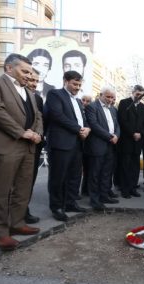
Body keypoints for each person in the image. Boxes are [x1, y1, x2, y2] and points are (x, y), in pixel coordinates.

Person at [0, 53, 43, 250]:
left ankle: (17, 224)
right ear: (9, 68)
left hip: (28, 147)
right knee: (1, 190)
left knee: (23, 188)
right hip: (8, 145)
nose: (28, 75)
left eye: (30, 72)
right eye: (24, 71)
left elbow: (38, 115)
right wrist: (22, 133)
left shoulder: (29, 92)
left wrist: (38, 134)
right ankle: (0, 232)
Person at [44, 71, 90, 222]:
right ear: (65, 81)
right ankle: (56, 207)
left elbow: (83, 119)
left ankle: (70, 203)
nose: (77, 87)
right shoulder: (55, 94)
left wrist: (87, 128)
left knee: (74, 176)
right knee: (58, 176)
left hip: (77, 143)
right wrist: (79, 129)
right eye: (74, 84)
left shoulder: (77, 101)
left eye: (79, 85)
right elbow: (58, 116)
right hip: (60, 143)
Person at [84, 86, 120, 211]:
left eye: (112, 97)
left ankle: (104, 196)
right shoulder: (92, 107)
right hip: (97, 145)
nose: (110, 99)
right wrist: (110, 136)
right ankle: (94, 200)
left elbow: (117, 125)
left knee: (106, 173)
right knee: (95, 174)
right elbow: (94, 125)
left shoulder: (114, 110)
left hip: (111, 145)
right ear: (101, 95)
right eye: (108, 97)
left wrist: (116, 135)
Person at [117, 85, 144, 198]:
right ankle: (125, 190)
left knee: (135, 166)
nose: (139, 96)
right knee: (125, 166)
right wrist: (132, 133)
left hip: (138, 142)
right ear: (133, 92)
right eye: (137, 94)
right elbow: (122, 120)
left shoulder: (143, 107)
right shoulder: (124, 103)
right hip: (126, 141)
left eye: (141, 95)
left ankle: (133, 188)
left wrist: (140, 133)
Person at [25, 68, 44, 224]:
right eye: (32, 80)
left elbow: (40, 119)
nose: (34, 84)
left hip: (34, 145)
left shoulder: (38, 98)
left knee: (28, 180)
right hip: (13, 144)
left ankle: (24, 210)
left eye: (37, 81)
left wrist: (38, 134)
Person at [80, 94, 93, 197]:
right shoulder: (77, 110)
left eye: (88, 101)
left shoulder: (91, 112)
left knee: (88, 169)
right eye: (83, 100)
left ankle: (85, 190)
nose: (85, 102)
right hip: (76, 144)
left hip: (88, 145)